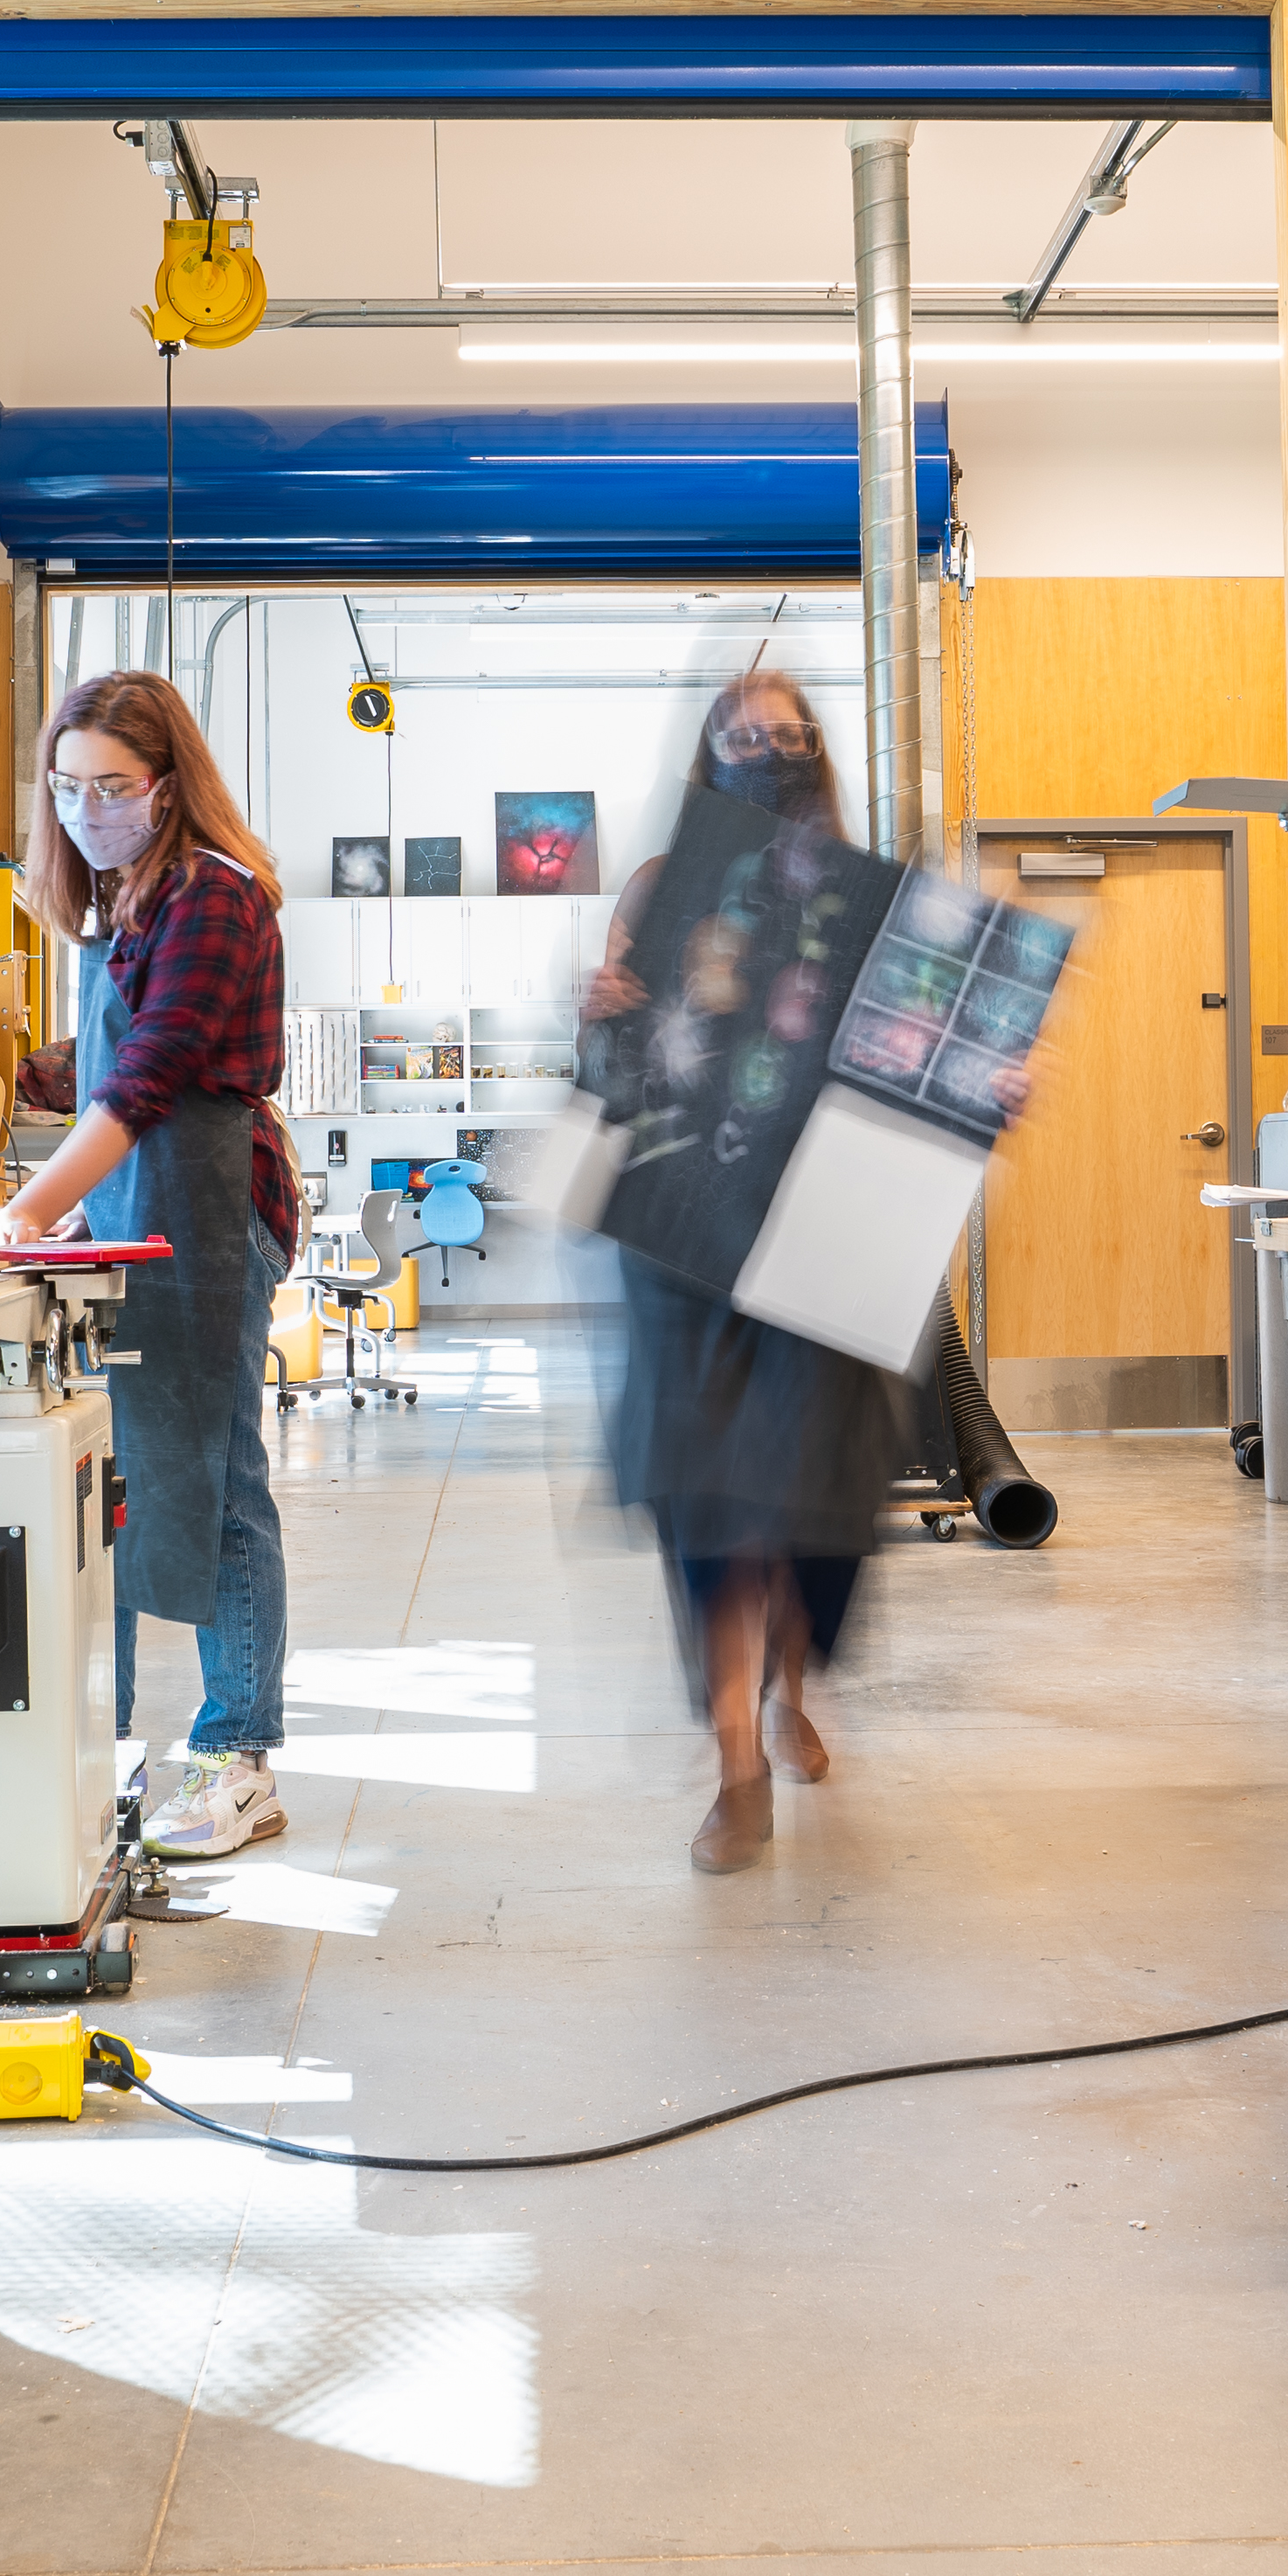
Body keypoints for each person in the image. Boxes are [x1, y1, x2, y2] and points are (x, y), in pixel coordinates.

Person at [580, 670, 905, 1871]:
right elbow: (614, 1067)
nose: (766, 753)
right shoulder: (665, 893)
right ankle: (736, 1766)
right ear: (707, 757)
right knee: (711, 1502)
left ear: (814, 754)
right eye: (742, 737)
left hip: (824, 1243)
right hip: (684, 1240)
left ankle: (790, 1688)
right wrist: (601, 1006)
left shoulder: (865, 902)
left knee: (813, 1508)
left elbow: (914, 1061)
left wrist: (977, 1084)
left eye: (787, 736)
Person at [0, 667, 299, 1862]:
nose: (87, 808)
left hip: (211, 1214)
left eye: (111, 785)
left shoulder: (215, 896)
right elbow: (109, 1063)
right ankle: (118, 1746)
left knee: (213, 1484)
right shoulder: (133, 905)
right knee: (144, 1485)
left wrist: (24, 1210)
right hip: (146, 1208)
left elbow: (151, 1075)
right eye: (66, 787)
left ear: (168, 787)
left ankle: (238, 1756)